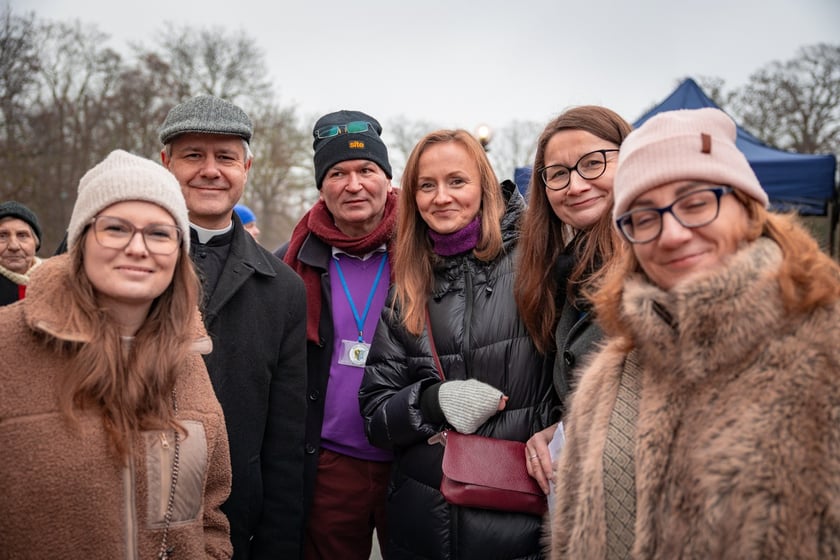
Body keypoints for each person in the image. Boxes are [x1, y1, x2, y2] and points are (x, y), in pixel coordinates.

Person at [550, 107, 840, 559]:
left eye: (697, 203)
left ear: (747, 207)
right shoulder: (607, 379)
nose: (672, 234)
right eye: (644, 217)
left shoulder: (828, 348)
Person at [0, 149, 232, 558]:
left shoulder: (189, 359)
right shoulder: (8, 344)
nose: (138, 248)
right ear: (81, 241)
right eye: (116, 229)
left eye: (159, 233)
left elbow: (209, 512)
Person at [359, 129, 555, 559]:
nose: (441, 197)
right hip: (424, 523)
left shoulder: (538, 263)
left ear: (484, 186)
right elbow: (375, 415)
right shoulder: (408, 286)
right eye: (426, 185)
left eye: (457, 181)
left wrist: (560, 431)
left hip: (521, 522)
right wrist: (433, 402)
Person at [159, 94, 308, 559]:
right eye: (193, 155)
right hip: (129, 512)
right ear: (165, 163)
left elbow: (285, 441)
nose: (210, 170)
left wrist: (277, 545)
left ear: (246, 167)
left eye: (225, 157)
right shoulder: (118, 262)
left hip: (234, 522)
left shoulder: (283, 287)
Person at [277, 109, 396, 559]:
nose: (354, 184)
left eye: (367, 170)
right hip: (331, 463)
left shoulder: (425, 251)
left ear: (387, 179)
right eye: (338, 173)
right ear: (321, 187)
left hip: (413, 460)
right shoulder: (292, 262)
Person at [514, 106, 631, 495]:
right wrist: (560, 429)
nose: (575, 186)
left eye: (593, 163)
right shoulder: (565, 271)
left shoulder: (661, 261)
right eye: (558, 173)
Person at [0, 200, 44, 305]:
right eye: (2, 236)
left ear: (36, 243)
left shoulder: (57, 285)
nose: (13, 246)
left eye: (22, 235)